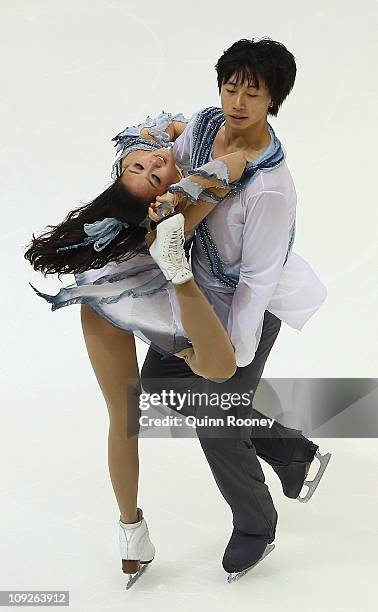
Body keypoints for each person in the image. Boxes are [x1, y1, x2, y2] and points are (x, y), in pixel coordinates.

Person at [24, 109, 260, 586]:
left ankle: (133, 539)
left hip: (103, 287)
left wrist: (175, 137)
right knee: (208, 372)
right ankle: (129, 530)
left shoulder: (137, 152)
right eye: (147, 172)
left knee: (126, 414)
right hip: (142, 279)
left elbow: (157, 131)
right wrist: (192, 174)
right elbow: (233, 164)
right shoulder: (175, 201)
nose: (152, 166)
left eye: (149, 167)